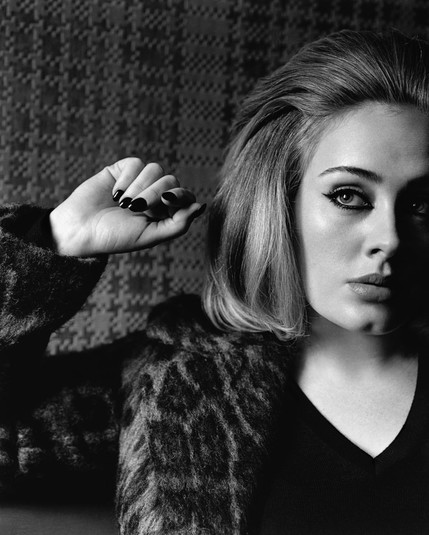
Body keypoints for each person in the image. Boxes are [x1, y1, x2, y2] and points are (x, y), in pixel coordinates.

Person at [1, 28, 429, 534]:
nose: (391, 239)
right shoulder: (174, 379)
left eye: (423, 204)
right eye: (349, 196)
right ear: (279, 201)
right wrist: (55, 242)